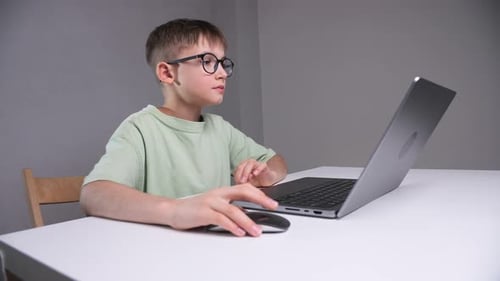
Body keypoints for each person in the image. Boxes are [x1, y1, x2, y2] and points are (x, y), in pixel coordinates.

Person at [80, 18, 288, 237]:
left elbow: (277, 162)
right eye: (208, 61)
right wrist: (175, 210)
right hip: (162, 251)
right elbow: (94, 194)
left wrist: (265, 174)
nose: (222, 73)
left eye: (223, 63)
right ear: (168, 73)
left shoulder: (220, 129)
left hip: (214, 245)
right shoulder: (140, 128)